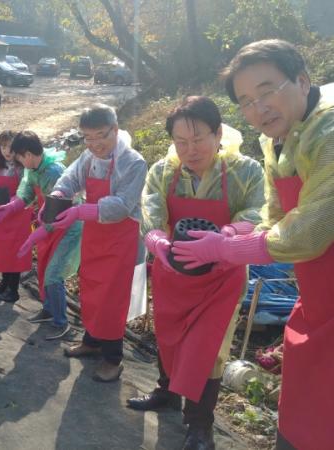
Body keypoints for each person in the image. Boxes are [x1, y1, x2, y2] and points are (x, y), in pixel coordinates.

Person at [171, 40, 334, 450]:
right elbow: (276, 217)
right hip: (317, 295)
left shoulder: (328, 134)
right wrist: (237, 236)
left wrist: (224, 249)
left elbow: (309, 232)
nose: (258, 109)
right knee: (302, 414)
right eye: (245, 101)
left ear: (302, 81)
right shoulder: (276, 141)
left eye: (267, 91)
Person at [127, 96, 265, 449]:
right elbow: (151, 207)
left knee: (209, 349)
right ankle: (167, 393)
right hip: (173, 273)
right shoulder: (164, 172)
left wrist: (228, 235)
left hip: (222, 278)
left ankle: (200, 424)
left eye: (199, 138)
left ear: (218, 134)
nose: (190, 149)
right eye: (181, 141)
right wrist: (155, 237)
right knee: (169, 337)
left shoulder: (245, 171)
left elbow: (258, 211)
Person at [50, 104, 147, 382]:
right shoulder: (89, 157)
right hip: (95, 237)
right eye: (88, 138)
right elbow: (71, 177)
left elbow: (123, 205)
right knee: (91, 290)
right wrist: (60, 193)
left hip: (121, 240)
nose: (94, 144)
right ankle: (91, 341)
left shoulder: (134, 162)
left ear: (115, 129)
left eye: (101, 136)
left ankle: (113, 359)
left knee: (112, 298)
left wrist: (82, 210)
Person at [0, 131, 82, 340]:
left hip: (67, 228)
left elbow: (56, 214)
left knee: (54, 273)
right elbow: (26, 194)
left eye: (20, 158)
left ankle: (61, 322)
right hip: (48, 225)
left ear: (28, 155)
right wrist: (10, 207)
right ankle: (49, 309)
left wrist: (32, 238)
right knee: (44, 267)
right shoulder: (33, 170)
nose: (20, 163)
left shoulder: (54, 172)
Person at [0, 130, 31, 302]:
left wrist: (14, 200)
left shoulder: (23, 166)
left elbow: (27, 189)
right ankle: (4, 281)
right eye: (3, 146)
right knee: (1, 250)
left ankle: (13, 289)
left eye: (10, 147)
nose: (6, 151)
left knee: (14, 251)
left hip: (17, 214)